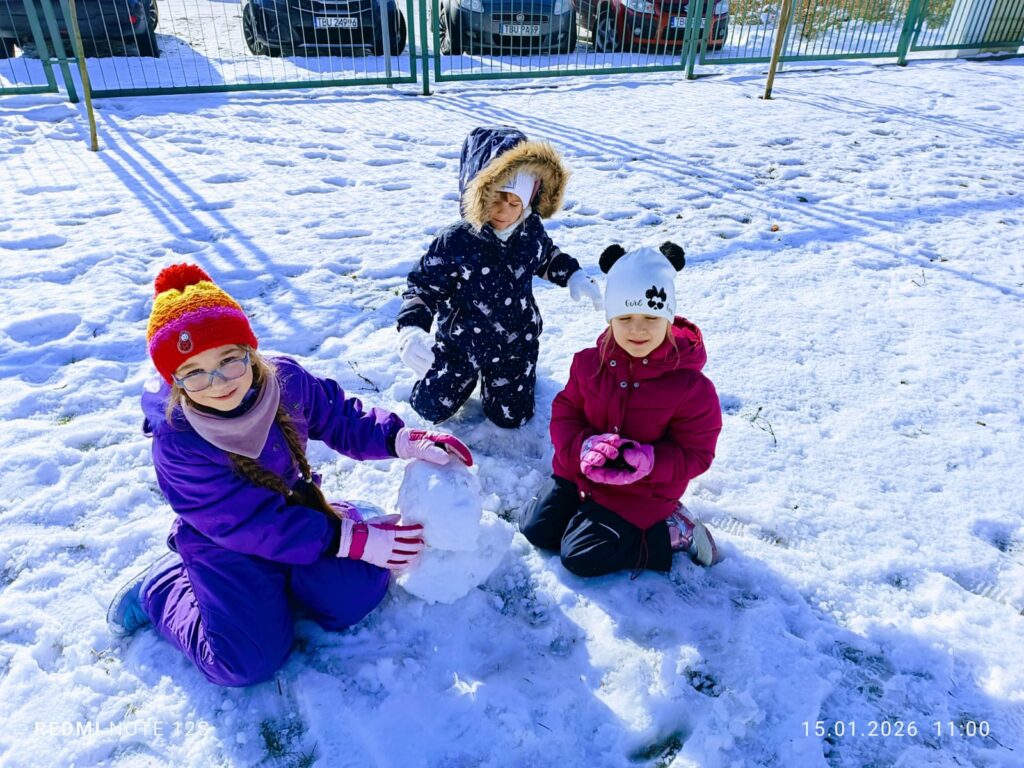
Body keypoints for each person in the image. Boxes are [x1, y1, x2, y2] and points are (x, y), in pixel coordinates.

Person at [106, 263, 472, 687]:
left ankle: (293, 577)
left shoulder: (285, 382)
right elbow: (248, 523)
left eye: (230, 359)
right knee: (247, 662)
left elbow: (338, 417)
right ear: (175, 380)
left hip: (296, 516)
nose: (219, 381)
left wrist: (400, 439)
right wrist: (348, 539)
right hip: (227, 542)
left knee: (355, 596)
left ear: (250, 351)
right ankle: (164, 588)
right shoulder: (178, 441)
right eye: (195, 371)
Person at [519, 242, 723, 577]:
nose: (638, 329)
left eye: (651, 317)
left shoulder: (690, 387)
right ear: (610, 316)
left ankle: (673, 531)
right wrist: (581, 448)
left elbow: (697, 454)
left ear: (669, 319)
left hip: (641, 492)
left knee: (580, 556)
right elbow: (566, 413)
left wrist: (651, 462)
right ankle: (581, 510)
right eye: (625, 317)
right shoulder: (589, 363)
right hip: (581, 474)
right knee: (537, 530)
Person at [396, 125, 602, 429]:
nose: (504, 209)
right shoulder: (456, 241)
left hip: (514, 342)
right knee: (430, 407)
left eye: (514, 201)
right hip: (461, 345)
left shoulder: (530, 230)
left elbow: (546, 256)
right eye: (496, 197)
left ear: (528, 201)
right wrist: (411, 330)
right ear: (478, 194)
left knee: (511, 417)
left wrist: (573, 276)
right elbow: (424, 287)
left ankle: (508, 385)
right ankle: (456, 382)